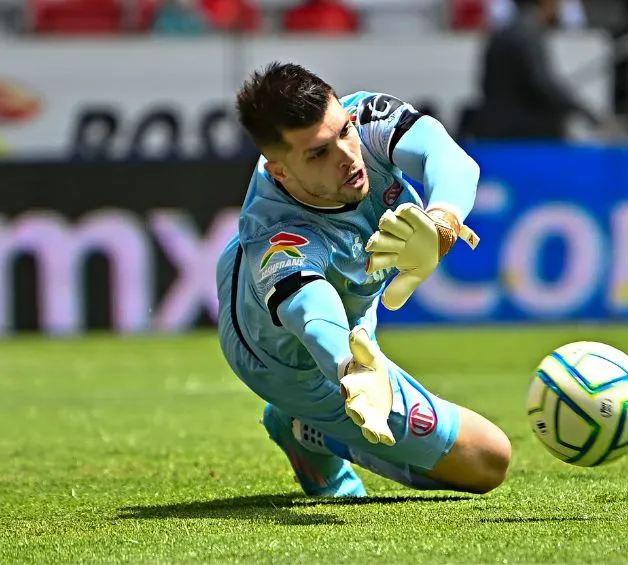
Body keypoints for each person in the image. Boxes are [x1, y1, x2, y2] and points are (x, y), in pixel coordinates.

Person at [215, 62, 512, 498]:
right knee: (488, 460)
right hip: (284, 360)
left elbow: (449, 158)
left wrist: (443, 222)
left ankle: (309, 426)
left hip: (346, 303)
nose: (347, 156)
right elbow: (311, 313)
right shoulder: (276, 237)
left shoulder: (364, 119)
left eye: (343, 131)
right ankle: (308, 428)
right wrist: (351, 368)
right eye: (319, 154)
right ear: (279, 171)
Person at [472, 0, 603, 140]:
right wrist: (586, 112)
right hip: (517, 130)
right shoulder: (529, 34)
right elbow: (543, 84)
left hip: (493, 123)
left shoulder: (502, 33)